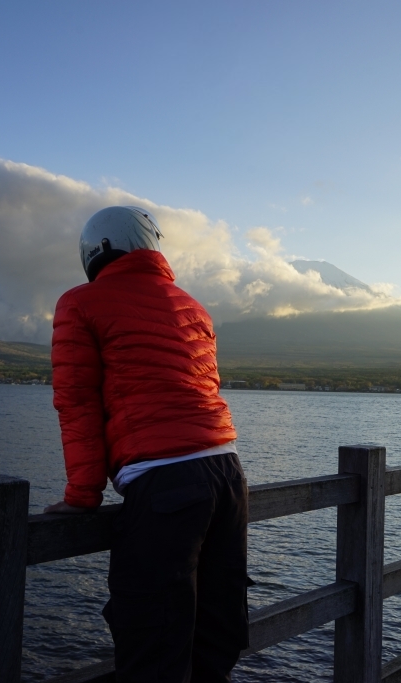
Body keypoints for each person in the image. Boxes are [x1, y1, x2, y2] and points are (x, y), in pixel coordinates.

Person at [44, 205, 249, 683]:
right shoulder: (191, 305)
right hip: (228, 474)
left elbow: (77, 405)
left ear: (95, 251)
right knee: (215, 639)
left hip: (166, 484)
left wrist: (82, 496)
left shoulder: (81, 303)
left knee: (153, 647)